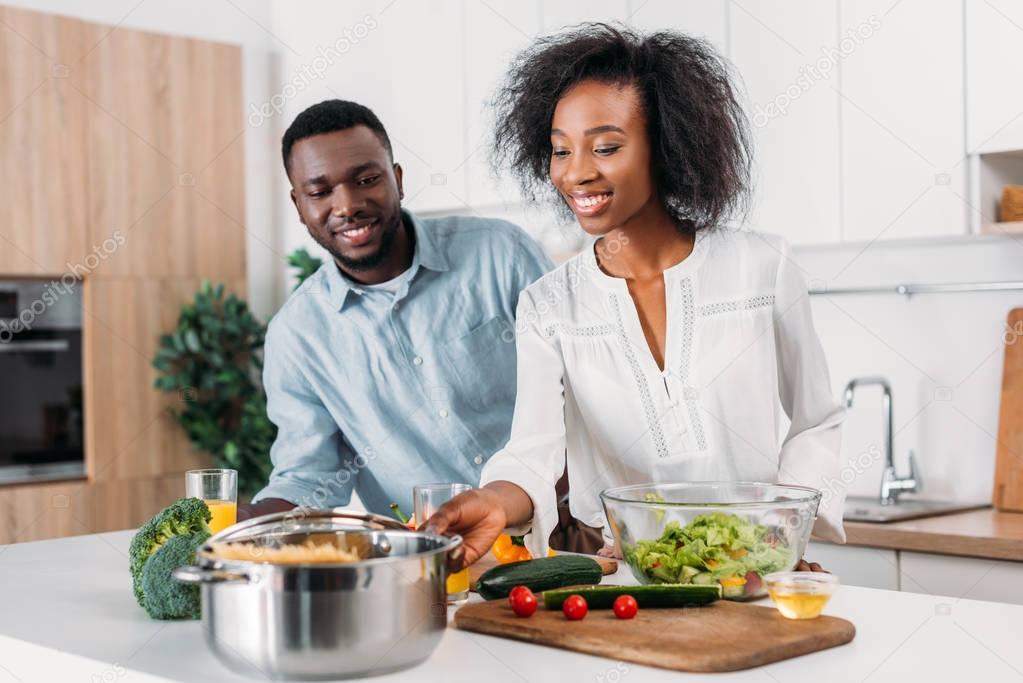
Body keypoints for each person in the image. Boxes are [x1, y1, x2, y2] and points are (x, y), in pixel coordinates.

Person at [426, 24, 843, 574]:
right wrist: (494, 502)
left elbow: (817, 421)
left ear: (665, 144)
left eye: (606, 147)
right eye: (559, 151)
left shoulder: (763, 267)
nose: (576, 172)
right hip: (633, 577)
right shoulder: (548, 305)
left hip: (756, 570)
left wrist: (780, 533)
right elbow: (534, 450)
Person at [239, 99, 551, 522]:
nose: (347, 205)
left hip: (567, 526)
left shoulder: (500, 254)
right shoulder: (297, 336)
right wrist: (243, 526)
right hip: (440, 558)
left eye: (366, 179)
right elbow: (308, 474)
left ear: (398, 180)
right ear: (299, 206)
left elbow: (580, 386)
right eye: (320, 192)